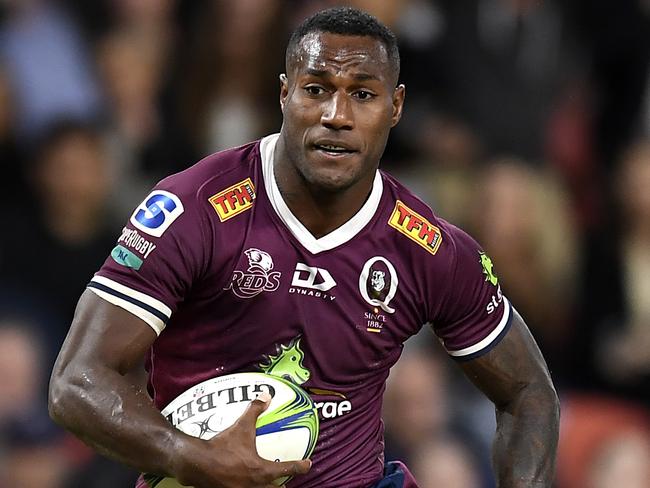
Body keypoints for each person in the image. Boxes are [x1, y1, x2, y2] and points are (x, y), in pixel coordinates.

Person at [49, 7, 559, 488]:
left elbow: (529, 392)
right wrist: (187, 454)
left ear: (396, 106)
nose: (337, 115)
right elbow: (75, 381)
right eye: (316, 89)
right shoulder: (194, 208)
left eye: (363, 94)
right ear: (284, 93)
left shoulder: (428, 248)